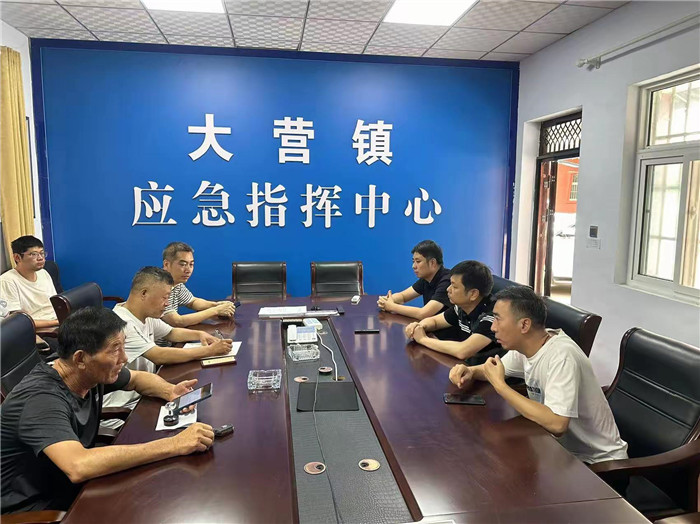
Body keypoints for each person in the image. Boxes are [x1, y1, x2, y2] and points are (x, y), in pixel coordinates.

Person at [1, 307, 216, 514]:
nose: (124, 358)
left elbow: (137, 379)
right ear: (80, 358)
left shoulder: (86, 372)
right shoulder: (41, 400)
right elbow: (78, 466)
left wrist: (170, 391)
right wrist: (174, 444)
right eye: (115, 349)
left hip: (69, 484)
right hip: (35, 507)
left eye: (123, 346)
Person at [449, 286, 628, 464]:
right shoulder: (526, 346)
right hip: (558, 451)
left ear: (524, 325)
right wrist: (471, 371)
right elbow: (495, 370)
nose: (493, 327)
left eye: (498, 319)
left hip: (598, 463)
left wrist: (501, 387)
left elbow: (557, 424)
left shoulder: (562, 356)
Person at [103, 266, 233, 414]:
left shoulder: (144, 314)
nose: (167, 303)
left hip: (146, 393)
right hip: (125, 408)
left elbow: (172, 332)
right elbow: (159, 355)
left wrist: (200, 335)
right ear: (144, 293)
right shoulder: (122, 323)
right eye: (164, 298)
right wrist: (209, 351)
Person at [405, 260, 503, 364]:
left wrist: (423, 339)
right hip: (466, 366)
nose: (448, 289)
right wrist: (419, 326)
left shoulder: (493, 316)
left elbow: (462, 351)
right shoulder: (461, 307)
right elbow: (435, 322)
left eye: (454, 286)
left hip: (487, 371)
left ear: (473, 294)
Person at [160, 242, 235, 328]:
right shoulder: (159, 286)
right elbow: (177, 321)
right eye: (183, 264)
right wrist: (216, 310)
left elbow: (192, 302)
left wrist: (217, 305)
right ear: (166, 264)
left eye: (191, 264)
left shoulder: (177, 284)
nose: (188, 270)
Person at [377, 240, 451, 320]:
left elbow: (423, 314)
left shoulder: (447, 281)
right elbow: (403, 296)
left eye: (418, 261)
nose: (413, 266)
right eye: (413, 261)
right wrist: (387, 300)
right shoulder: (426, 279)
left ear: (432, 262)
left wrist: (391, 306)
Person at [0, 236, 58, 329]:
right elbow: (16, 322)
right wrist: (56, 322)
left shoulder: (43, 273)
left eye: (42, 253)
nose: (40, 258)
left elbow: (54, 304)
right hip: (37, 330)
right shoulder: (7, 281)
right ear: (17, 257)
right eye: (33, 254)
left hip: (57, 322)